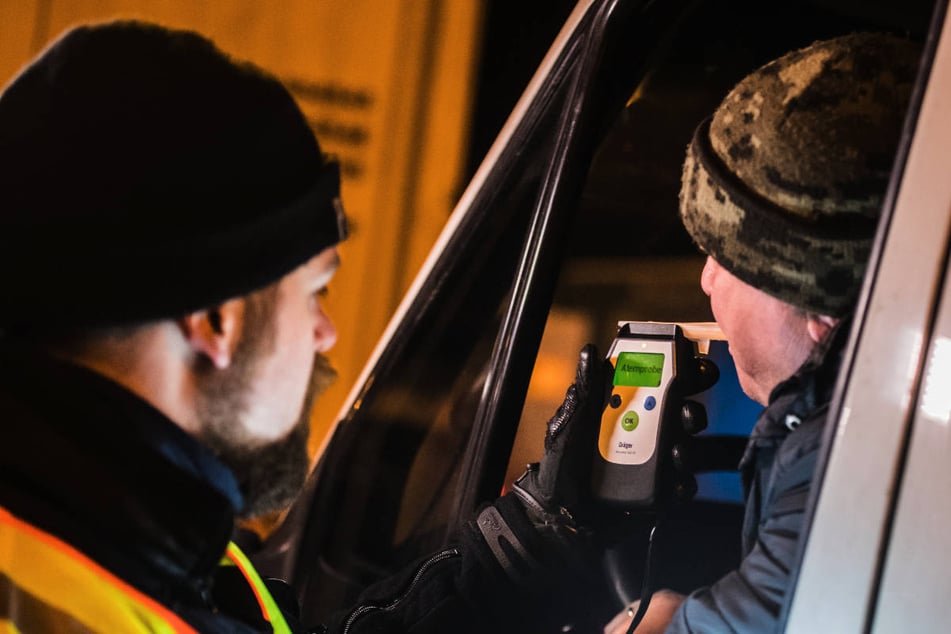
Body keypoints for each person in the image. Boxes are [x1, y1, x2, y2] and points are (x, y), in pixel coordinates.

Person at [0, 20, 616, 634]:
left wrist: (528, 540)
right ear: (218, 320)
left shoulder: (145, 547)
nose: (325, 333)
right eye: (314, 291)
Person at [604, 32, 921, 633]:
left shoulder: (853, 458)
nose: (706, 281)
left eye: (727, 259)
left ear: (818, 305)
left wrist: (656, 624)